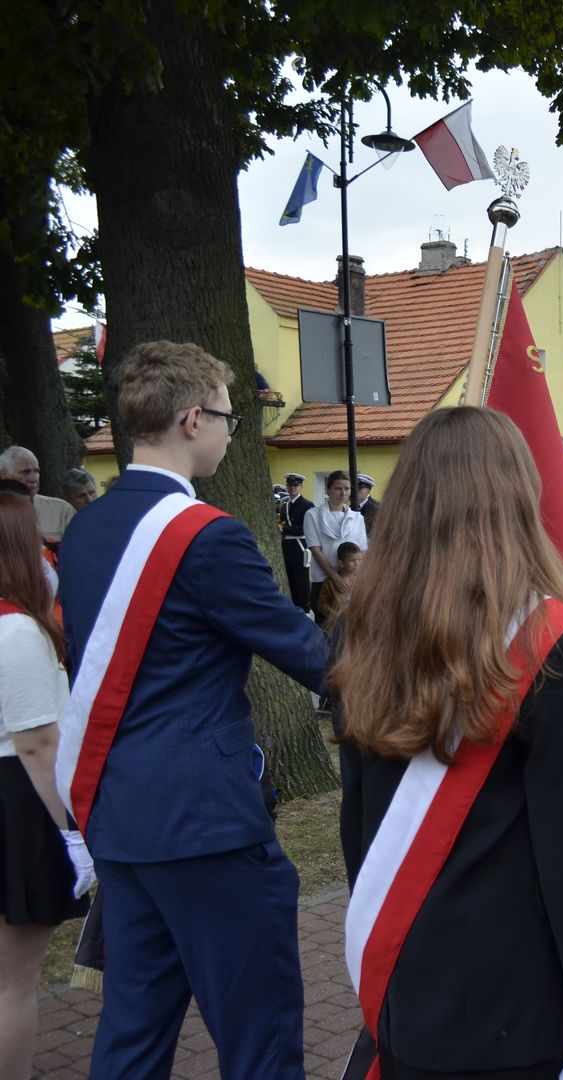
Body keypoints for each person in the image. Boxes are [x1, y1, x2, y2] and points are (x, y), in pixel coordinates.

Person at [333, 406, 563, 1080]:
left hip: (403, 957)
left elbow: (358, 813)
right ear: (515, 497)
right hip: (511, 988)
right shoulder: (545, 638)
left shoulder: (360, 625)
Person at [56, 340, 328, 1078]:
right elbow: (309, 653)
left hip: (118, 810)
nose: (232, 432)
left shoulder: (85, 531)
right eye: (229, 418)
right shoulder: (208, 537)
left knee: (133, 1032)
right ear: (191, 419)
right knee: (259, 1034)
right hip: (205, 823)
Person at [0, 490, 94, 1080]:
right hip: (21, 801)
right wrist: (74, 832)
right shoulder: (16, 632)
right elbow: (38, 744)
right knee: (13, 982)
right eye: (37, 543)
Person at [306, 468, 369, 599]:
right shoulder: (313, 515)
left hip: (351, 580)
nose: (343, 493)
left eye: (347, 488)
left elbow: (362, 550)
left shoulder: (357, 517)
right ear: (328, 489)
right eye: (338, 488)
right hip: (324, 579)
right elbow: (316, 550)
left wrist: (353, 577)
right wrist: (336, 577)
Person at [0, 447, 74, 543]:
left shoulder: (62, 510)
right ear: (3, 474)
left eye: (36, 471)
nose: (33, 479)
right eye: (25, 472)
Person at [281, 471, 315, 611]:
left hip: (299, 547)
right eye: (290, 485)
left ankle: (304, 609)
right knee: (289, 580)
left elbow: (305, 528)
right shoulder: (284, 506)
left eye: (296, 485)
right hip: (286, 547)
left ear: (301, 487)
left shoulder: (307, 505)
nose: (293, 488)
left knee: (301, 582)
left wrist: (284, 529)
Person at [313, 541, 365, 630]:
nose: (357, 564)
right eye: (352, 560)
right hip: (337, 626)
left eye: (359, 560)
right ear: (341, 563)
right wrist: (335, 615)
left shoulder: (363, 579)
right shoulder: (330, 583)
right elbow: (321, 604)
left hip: (358, 623)